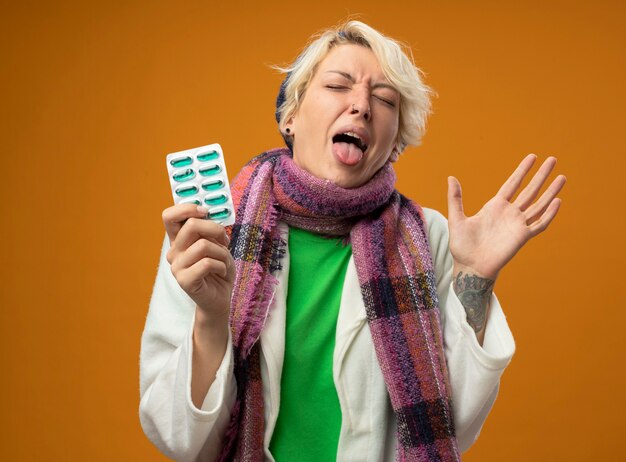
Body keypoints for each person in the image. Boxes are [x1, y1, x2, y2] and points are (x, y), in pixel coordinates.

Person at [139, 20, 566, 462]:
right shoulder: (209, 234)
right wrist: (211, 316)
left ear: (395, 144)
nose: (361, 105)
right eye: (338, 85)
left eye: (384, 99)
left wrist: (474, 278)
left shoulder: (430, 239)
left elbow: (448, 424)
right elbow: (178, 439)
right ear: (290, 115)